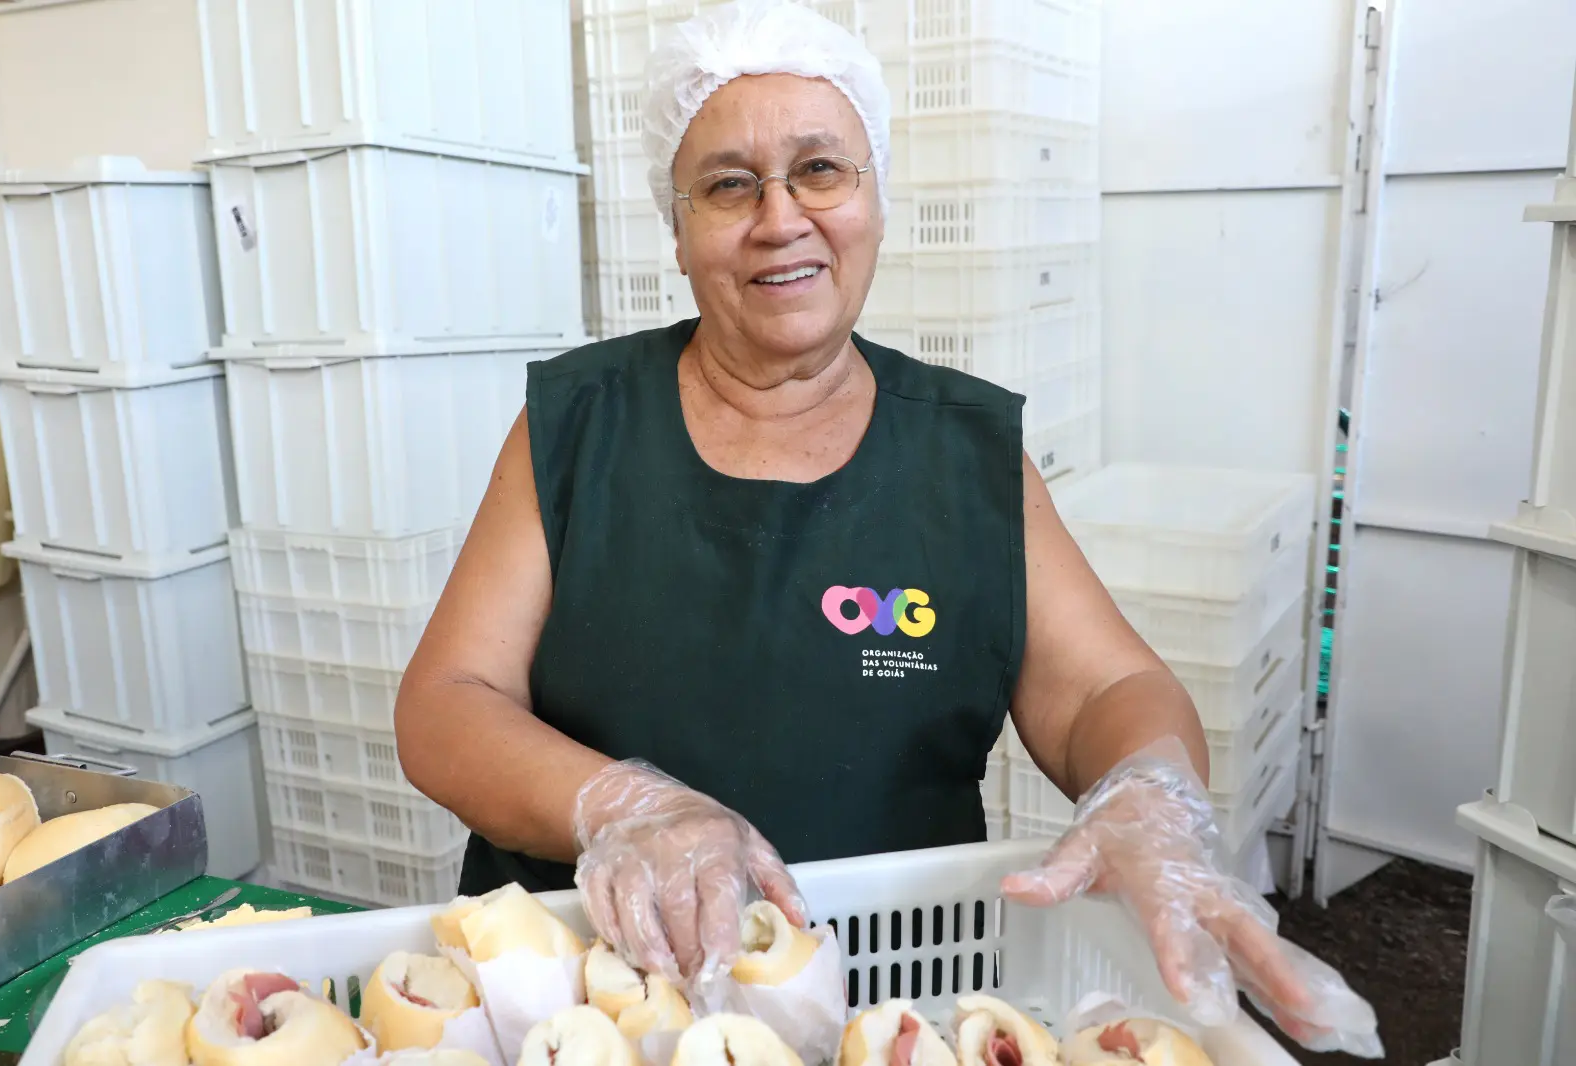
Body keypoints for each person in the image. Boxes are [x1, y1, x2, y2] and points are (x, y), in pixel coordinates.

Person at [395, 0, 1379, 1056]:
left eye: (821, 170)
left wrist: (1147, 791)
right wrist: (622, 807)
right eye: (729, 184)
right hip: (594, 1010)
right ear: (676, 231)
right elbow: (447, 705)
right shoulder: (578, 425)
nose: (780, 217)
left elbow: (1102, 688)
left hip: (893, 1006)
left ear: (875, 201)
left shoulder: (963, 454)